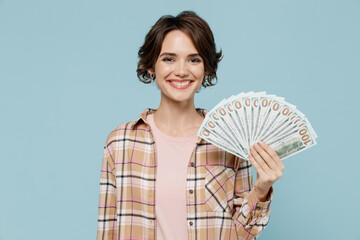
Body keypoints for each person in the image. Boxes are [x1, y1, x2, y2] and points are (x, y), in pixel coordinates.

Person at [97, 10, 284, 240]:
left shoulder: (231, 142)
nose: (182, 71)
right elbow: (107, 231)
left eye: (194, 59)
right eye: (168, 59)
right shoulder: (120, 143)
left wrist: (261, 189)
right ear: (151, 66)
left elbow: (242, 236)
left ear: (206, 68)